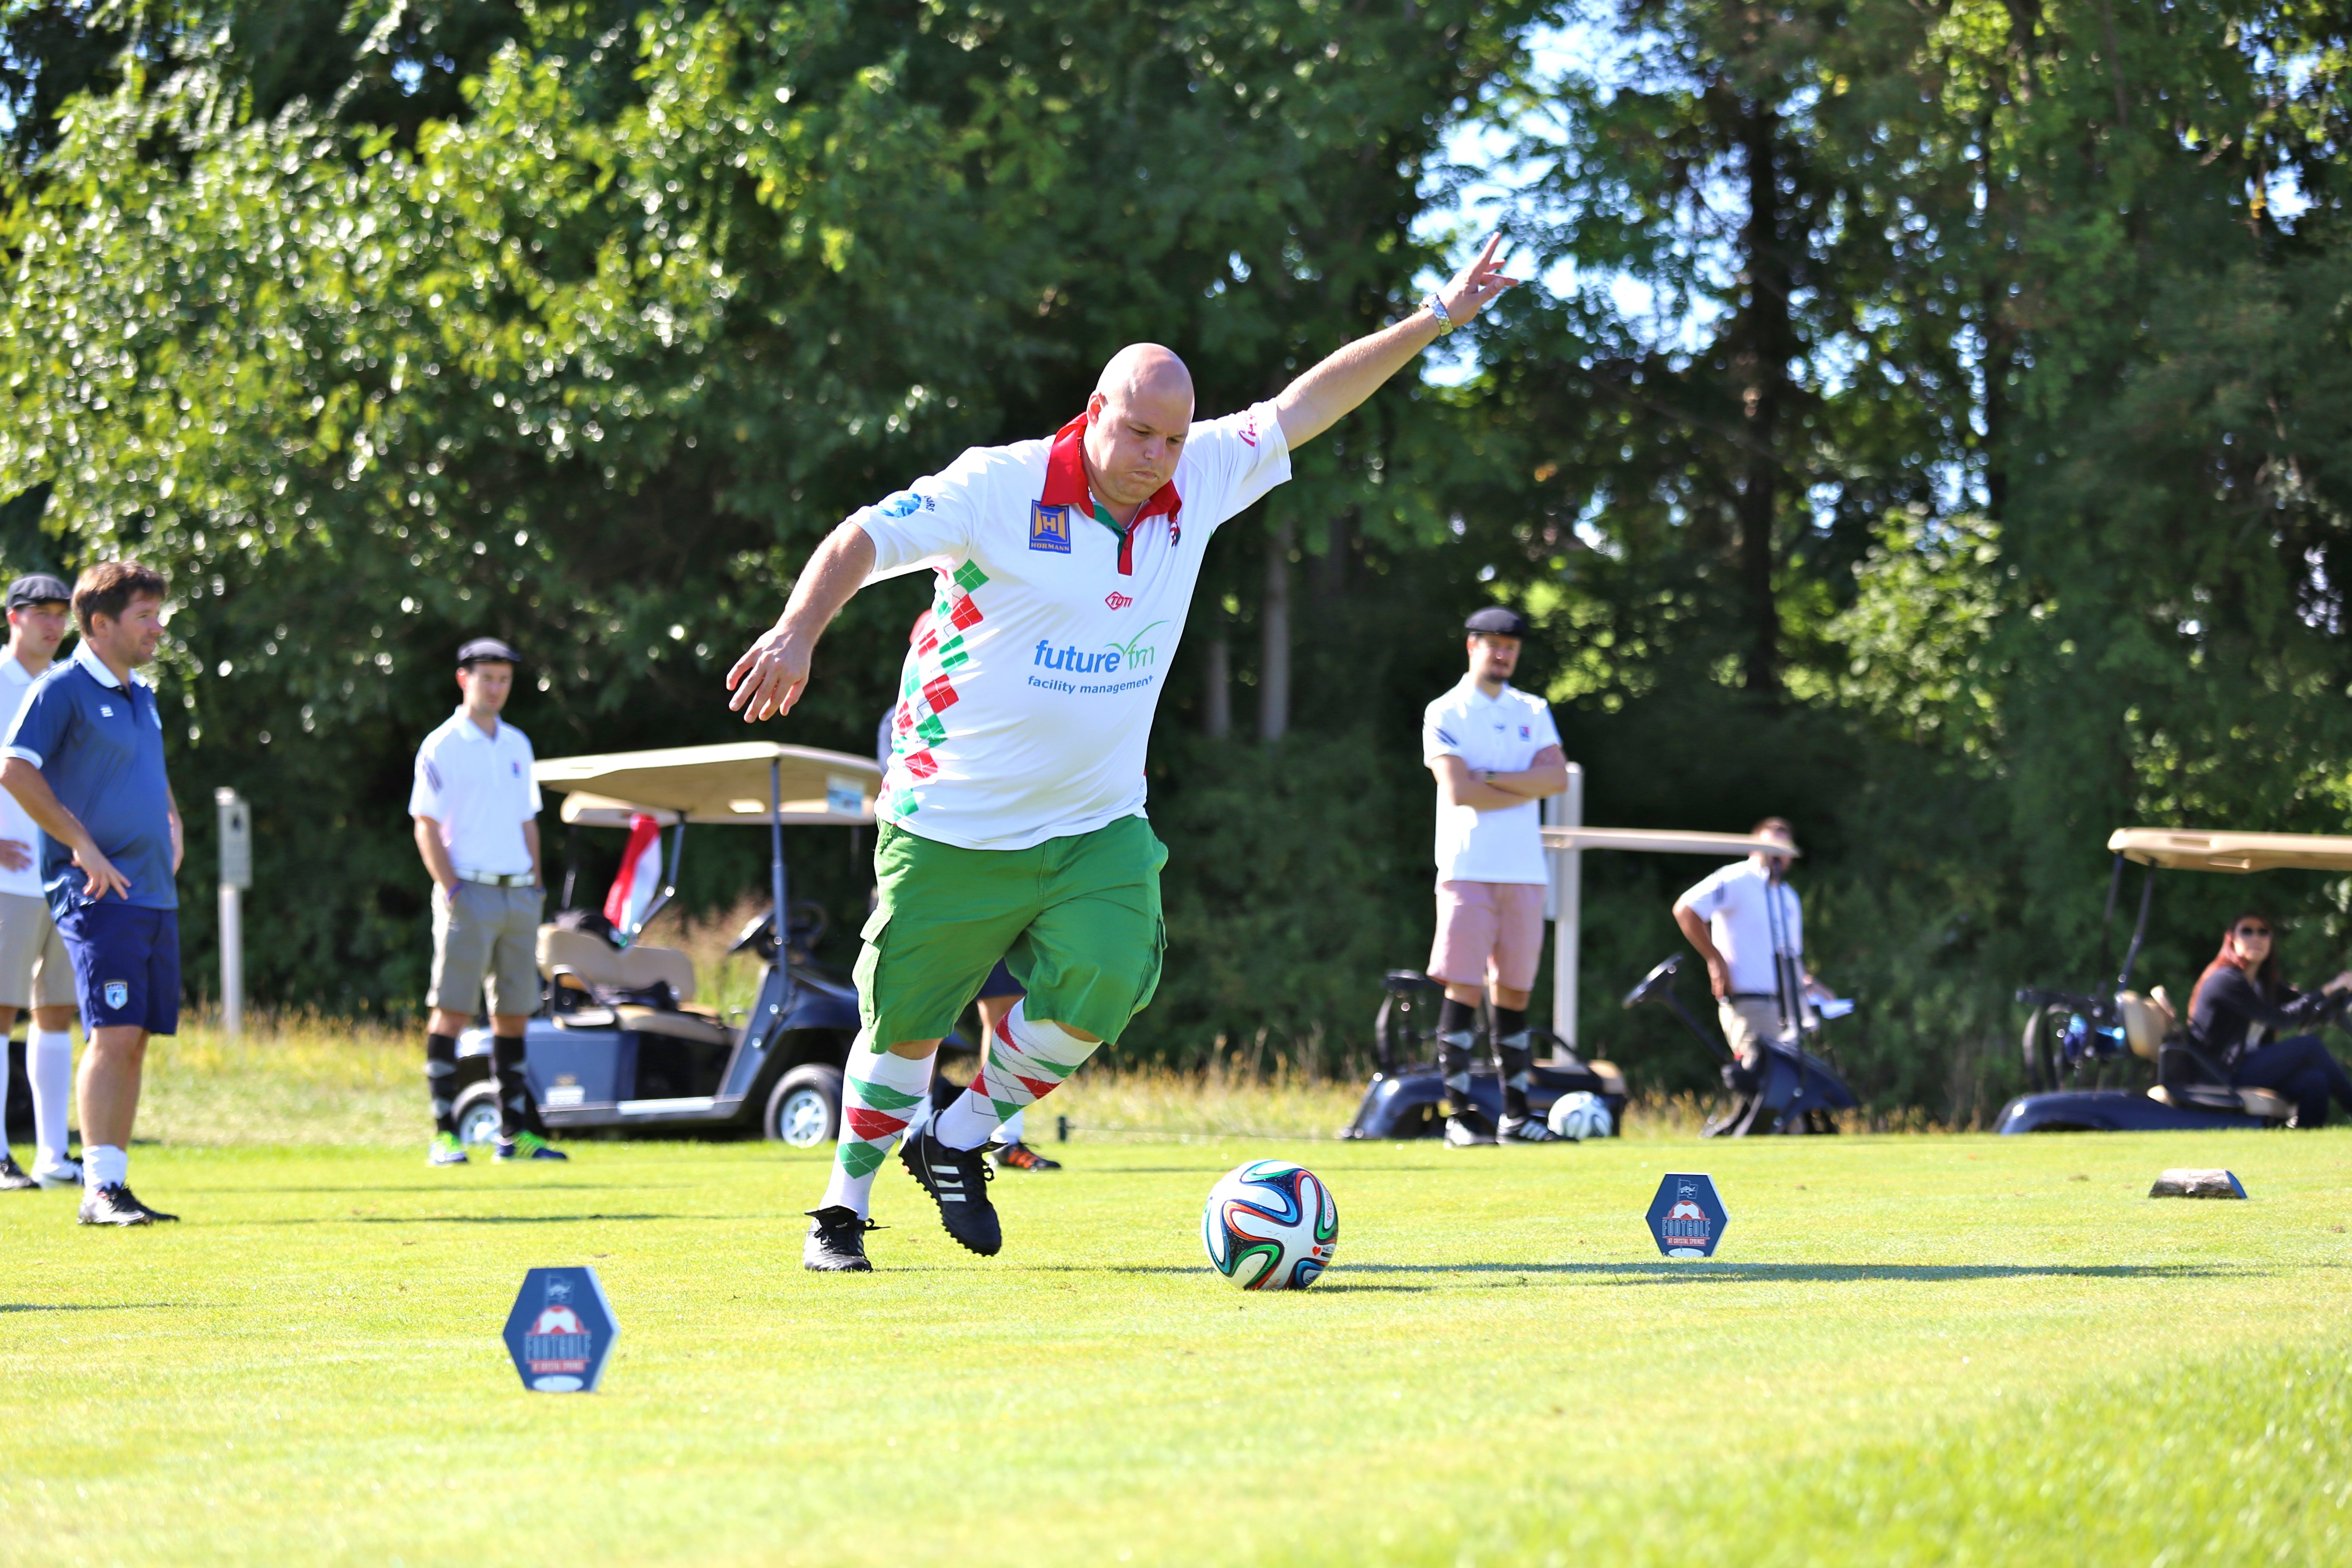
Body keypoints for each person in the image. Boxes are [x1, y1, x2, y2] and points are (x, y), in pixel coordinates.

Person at [732, 237, 1520, 1271]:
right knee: (902, 1032)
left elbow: (1306, 403)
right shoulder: (997, 486)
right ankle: (842, 1209)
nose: (1159, 457)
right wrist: (797, 630)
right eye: (1140, 433)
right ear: (1093, 411)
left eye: (1174, 437)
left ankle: (961, 1135)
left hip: (1094, 819)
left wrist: (1435, 319)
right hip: (952, 816)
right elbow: (859, 539)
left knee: (1108, 982)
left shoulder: (1193, 478)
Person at [0, 562, 184, 1225]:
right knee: (112, 1034)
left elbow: (145, 777)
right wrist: (82, 845)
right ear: (101, 624)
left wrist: (173, 820)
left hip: (152, 894)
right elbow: (15, 770)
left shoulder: (144, 694)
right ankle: (97, 1192)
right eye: (145, 617)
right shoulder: (63, 690)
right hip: (98, 894)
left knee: (134, 1038)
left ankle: (113, 1181)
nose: (157, 629)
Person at [872, 609, 1060, 1178]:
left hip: (1002, 878)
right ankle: (915, 1127)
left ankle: (1005, 1138)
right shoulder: (901, 716)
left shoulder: (1003, 703)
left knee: (1004, 1011)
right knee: (920, 1013)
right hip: (935, 884)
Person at [408, 637, 566, 1165]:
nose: (496, 688)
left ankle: (513, 1135)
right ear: (464, 679)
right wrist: (452, 889)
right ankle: (444, 1134)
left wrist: (536, 885)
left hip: (519, 894)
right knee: (452, 1011)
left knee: (514, 1016)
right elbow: (425, 825)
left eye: (504, 679)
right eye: (487, 678)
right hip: (467, 892)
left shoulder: (517, 743)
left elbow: (529, 822)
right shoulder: (441, 745)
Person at [1420, 605, 1568, 1145]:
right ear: (1472, 646)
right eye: (1494, 643)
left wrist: (1494, 778)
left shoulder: (1533, 708)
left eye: (1512, 645)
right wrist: (1521, 782)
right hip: (1467, 869)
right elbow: (1459, 791)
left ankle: (1516, 1117)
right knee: (1463, 989)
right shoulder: (1447, 710)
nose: (1504, 653)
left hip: (1525, 872)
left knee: (1514, 995)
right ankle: (1459, 1118)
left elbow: (1557, 781)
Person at [0, 575, 83, 1192]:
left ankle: (54, 1155)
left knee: (56, 1011)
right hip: (5, 878)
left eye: (61, 614)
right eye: (41, 613)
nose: (53, 625)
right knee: (1, 1011)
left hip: (61, 875)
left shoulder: (65, 687)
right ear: (13, 618)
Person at [1671, 819, 1830, 1075]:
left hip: (1786, 1009)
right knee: (1768, 1080)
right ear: (1754, 848)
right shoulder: (1736, 879)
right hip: (1751, 1005)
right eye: (1770, 845)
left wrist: (1811, 984)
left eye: (1784, 847)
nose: (1778, 853)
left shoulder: (1788, 896)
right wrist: (1716, 959)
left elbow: (1791, 956)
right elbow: (1686, 909)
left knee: (1790, 1085)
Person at [2186, 912, 2352, 1126]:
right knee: (2309, 1046)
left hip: (2251, 1068)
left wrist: (2340, 995)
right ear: (2232, 940)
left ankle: (2305, 1149)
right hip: (2222, 1074)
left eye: (2263, 932)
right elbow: (2282, 1020)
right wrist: (2330, 988)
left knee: (2315, 1081)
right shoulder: (2226, 981)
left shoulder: (2264, 985)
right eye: (2247, 931)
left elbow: (2307, 1003)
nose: (2256, 938)